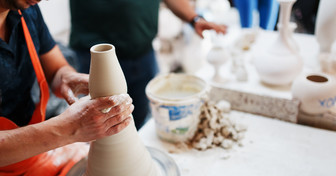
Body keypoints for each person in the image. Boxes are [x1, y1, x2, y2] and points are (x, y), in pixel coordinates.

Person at [0, 0, 134, 176]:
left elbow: (56, 67)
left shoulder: (26, 10)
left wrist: (67, 77)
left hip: (33, 159)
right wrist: (67, 130)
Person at [69, 0, 227, 130]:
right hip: (96, 59)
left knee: (138, 121)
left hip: (143, 52)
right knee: (102, 126)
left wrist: (195, 19)